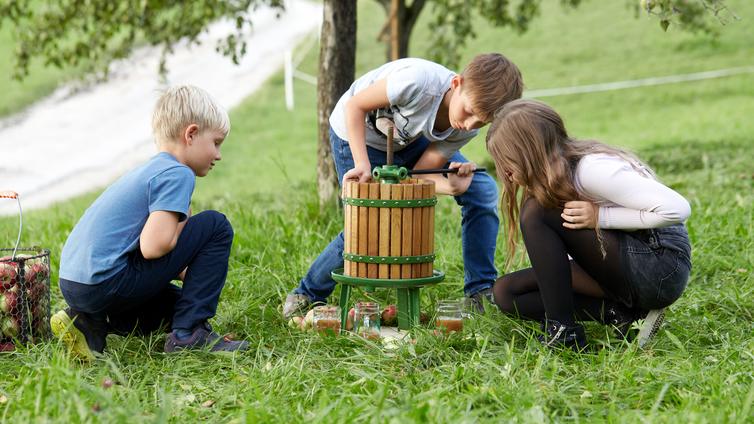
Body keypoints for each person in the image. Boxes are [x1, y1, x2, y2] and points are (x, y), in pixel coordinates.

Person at [282, 54, 524, 318]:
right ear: (457, 83)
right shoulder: (417, 82)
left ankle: (480, 291)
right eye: (468, 112)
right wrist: (362, 164)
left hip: (409, 141)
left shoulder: (465, 127)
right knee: (368, 221)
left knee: (482, 189)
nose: (468, 124)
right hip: (359, 133)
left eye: (481, 122)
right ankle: (306, 293)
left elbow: (419, 174)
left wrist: (454, 187)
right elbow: (355, 106)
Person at [51, 85, 249, 360]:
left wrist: (198, 279)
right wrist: (186, 224)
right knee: (215, 225)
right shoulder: (178, 174)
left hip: (77, 285)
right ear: (191, 134)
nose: (218, 155)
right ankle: (188, 335)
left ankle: (88, 324)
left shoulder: (150, 170)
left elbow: (157, 256)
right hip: (106, 283)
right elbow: (153, 247)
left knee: (179, 306)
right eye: (216, 143)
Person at [485, 99, 692, 350]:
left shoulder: (590, 169)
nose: (505, 174)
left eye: (507, 161)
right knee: (506, 293)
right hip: (627, 262)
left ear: (529, 153)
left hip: (659, 266)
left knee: (537, 211)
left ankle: (563, 333)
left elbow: (677, 208)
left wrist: (601, 217)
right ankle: (622, 315)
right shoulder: (557, 174)